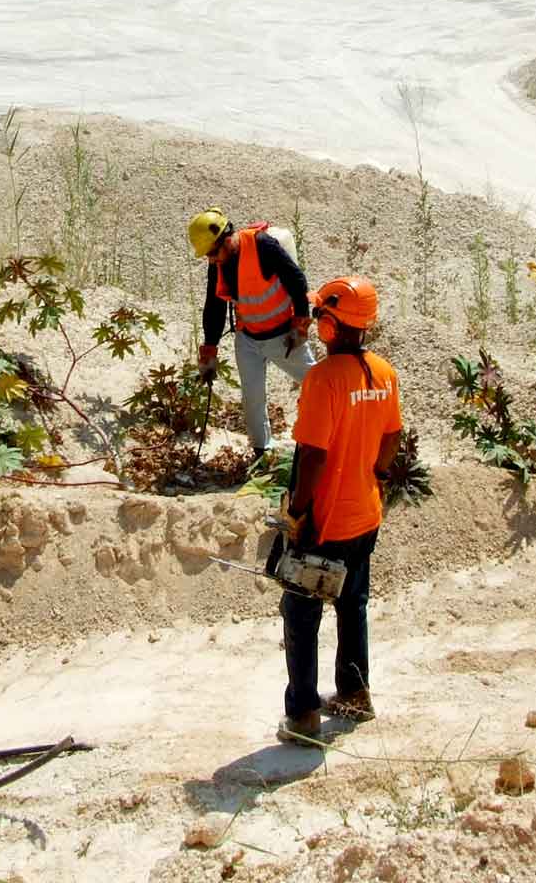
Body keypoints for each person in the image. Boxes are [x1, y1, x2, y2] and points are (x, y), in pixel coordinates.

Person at [273, 275, 401, 746]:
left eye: (320, 318)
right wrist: (376, 478)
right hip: (364, 514)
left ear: (330, 326)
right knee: (353, 604)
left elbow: (313, 455)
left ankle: (304, 716)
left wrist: (299, 515)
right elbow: (391, 437)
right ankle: (354, 695)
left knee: (301, 612)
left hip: (324, 519)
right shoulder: (384, 374)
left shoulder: (323, 379)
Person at [188, 209, 316, 455]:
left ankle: (342, 432)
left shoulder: (262, 245)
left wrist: (301, 322)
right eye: (208, 256)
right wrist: (209, 348)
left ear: (226, 239)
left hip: (283, 337)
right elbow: (214, 305)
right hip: (248, 338)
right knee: (252, 398)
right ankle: (262, 452)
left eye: (213, 253)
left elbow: (297, 281)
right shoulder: (218, 262)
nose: (211, 260)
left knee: (319, 383)